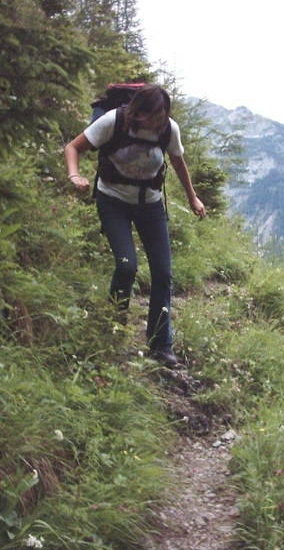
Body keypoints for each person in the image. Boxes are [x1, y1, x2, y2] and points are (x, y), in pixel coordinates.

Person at [64, 84, 206, 367]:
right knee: (127, 265)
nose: (159, 123)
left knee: (163, 274)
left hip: (150, 205)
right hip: (113, 200)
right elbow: (73, 147)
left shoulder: (168, 129)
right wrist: (74, 175)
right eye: (154, 118)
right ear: (138, 113)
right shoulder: (113, 121)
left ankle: (160, 345)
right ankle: (113, 333)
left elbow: (178, 162)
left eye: (163, 117)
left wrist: (193, 198)